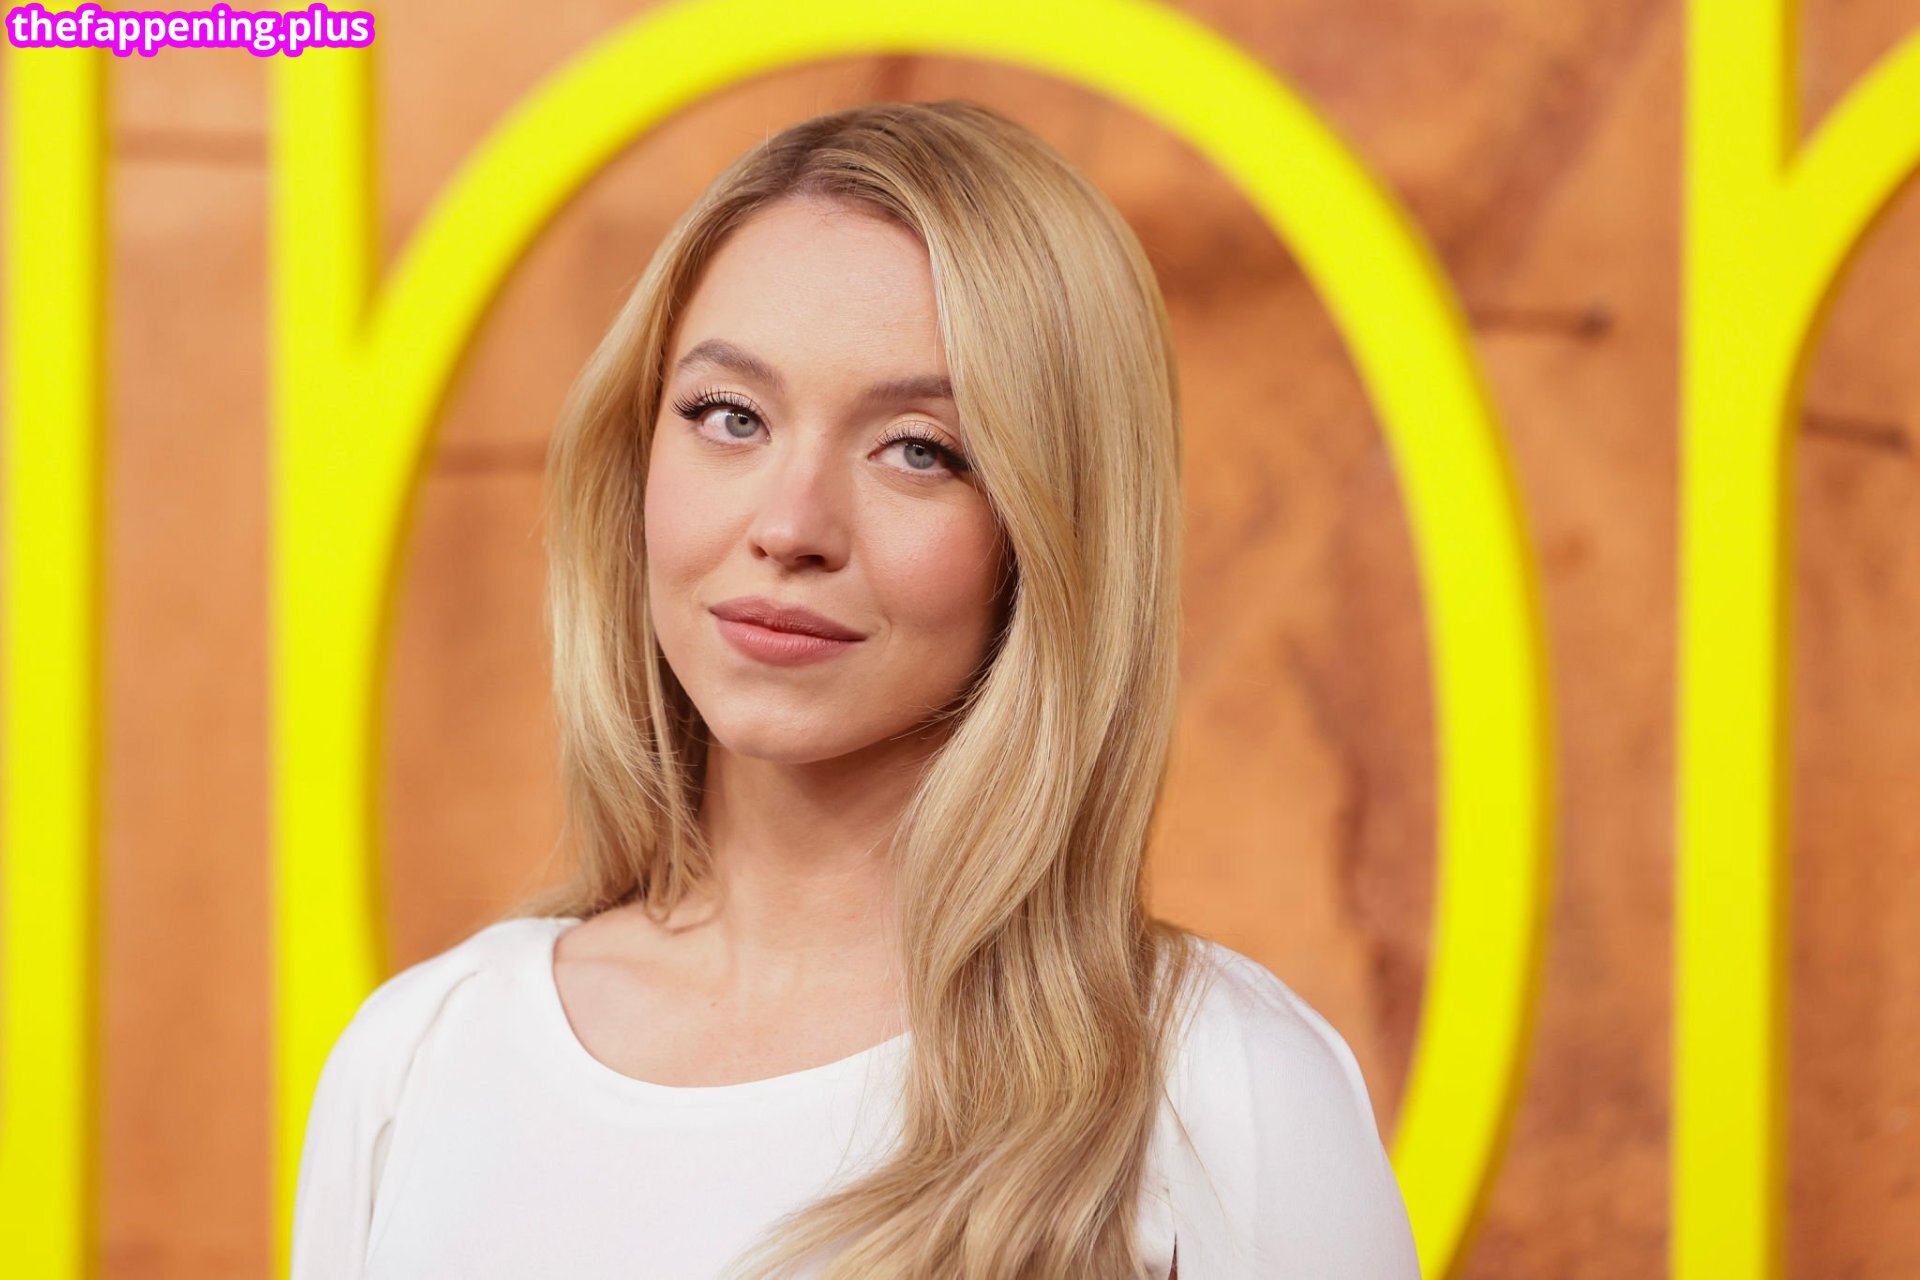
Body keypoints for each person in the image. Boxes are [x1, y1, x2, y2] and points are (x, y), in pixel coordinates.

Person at [289, 99, 1421, 1280]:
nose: (790, 525)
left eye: (919, 447)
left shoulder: (1223, 1092)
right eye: (730, 416)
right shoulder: (421, 1057)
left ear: (1052, 532)